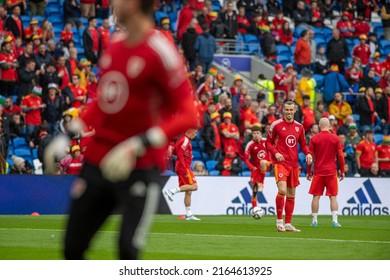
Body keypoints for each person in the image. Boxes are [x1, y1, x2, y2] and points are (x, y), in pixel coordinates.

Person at [44, 0, 197, 260]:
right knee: (72, 247)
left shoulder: (161, 49)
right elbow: (105, 101)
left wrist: (139, 143)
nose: (114, 2)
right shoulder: (115, 46)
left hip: (138, 166)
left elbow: (189, 114)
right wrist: (69, 134)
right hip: (99, 160)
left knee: (127, 252)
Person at [266, 101, 312, 232]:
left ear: (295, 110)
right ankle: (279, 221)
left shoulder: (300, 127)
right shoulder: (276, 125)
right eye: (286, 110)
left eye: (291, 110)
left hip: (293, 164)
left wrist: (308, 153)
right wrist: (276, 153)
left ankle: (288, 223)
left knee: (291, 194)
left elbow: (303, 144)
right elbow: (268, 144)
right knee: (282, 191)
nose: (289, 112)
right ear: (283, 110)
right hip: (280, 163)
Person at [306, 118, 345, 228]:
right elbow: (341, 156)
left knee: (316, 196)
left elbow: (310, 157)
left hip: (318, 171)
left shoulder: (314, 138)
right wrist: (342, 171)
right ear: (329, 125)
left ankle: (314, 221)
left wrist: (309, 172)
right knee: (333, 196)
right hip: (331, 172)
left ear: (319, 125)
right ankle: (334, 221)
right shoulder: (335, 138)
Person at [164, 128, 200, 220]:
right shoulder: (184, 140)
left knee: (189, 191)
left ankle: (188, 214)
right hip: (184, 167)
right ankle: (171, 191)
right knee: (194, 186)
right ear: (189, 131)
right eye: (195, 132)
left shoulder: (183, 140)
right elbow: (180, 155)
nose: (195, 135)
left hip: (182, 167)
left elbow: (175, 151)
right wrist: (184, 168)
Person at [244, 126, 270, 215]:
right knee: (254, 191)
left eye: (257, 133)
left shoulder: (266, 141)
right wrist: (251, 167)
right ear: (252, 134)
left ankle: (261, 183)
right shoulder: (250, 144)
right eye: (254, 133)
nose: (256, 135)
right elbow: (246, 159)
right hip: (255, 169)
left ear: (260, 133)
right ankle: (255, 209)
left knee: (262, 162)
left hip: (267, 164)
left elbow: (274, 149)